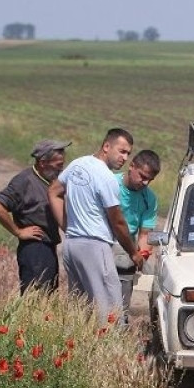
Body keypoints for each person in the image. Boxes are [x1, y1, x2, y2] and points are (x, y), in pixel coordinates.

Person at [48, 128, 145, 319]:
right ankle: (110, 347)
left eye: (128, 153)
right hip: (95, 246)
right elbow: (117, 222)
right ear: (106, 146)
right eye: (122, 151)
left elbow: (53, 191)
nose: (124, 158)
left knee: (79, 308)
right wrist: (134, 253)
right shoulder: (106, 177)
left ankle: (77, 347)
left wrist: (67, 228)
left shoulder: (78, 164)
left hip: (72, 246)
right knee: (109, 309)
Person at [0, 139, 71, 293]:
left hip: (48, 247)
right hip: (34, 249)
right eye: (58, 165)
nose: (61, 169)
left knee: (48, 296)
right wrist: (18, 232)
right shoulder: (24, 181)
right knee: (35, 297)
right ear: (42, 163)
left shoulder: (50, 180)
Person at [112, 149, 161, 313]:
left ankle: (121, 319)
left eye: (150, 179)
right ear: (131, 166)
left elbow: (145, 234)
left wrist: (143, 253)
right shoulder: (111, 184)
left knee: (120, 308)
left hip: (126, 250)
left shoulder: (150, 199)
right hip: (103, 242)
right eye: (143, 176)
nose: (145, 183)